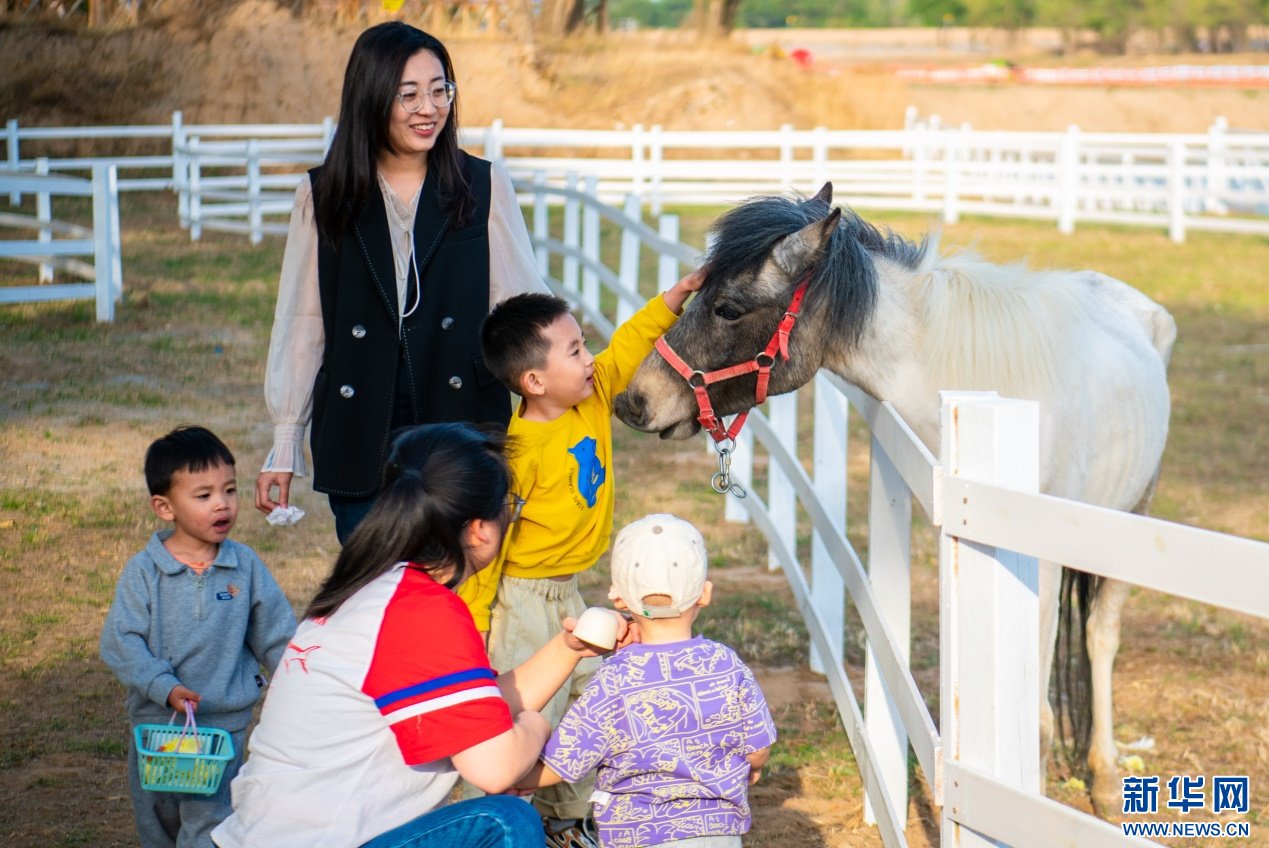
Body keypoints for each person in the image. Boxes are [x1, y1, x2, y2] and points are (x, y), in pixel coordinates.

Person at [212, 423, 630, 848]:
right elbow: (496, 767)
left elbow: (479, 711)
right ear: (480, 530)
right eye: (510, 506)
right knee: (506, 821)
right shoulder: (421, 611)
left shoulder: (377, 590)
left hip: (269, 836)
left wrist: (568, 649)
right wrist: (536, 726)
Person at [253, 21, 548, 543]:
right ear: (371, 97)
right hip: (360, 425)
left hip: (461, 421)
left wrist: (550, 404)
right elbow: (303, 322)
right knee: (375, 581)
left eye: (439, 91)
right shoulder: (323, 195)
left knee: (460, 578)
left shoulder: (483, 186)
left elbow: (519, 309)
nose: (428, 109)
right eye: (408, 95)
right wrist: (286, 440)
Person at [470, 270, 703, 845]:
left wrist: (672, 301)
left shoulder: (591, 396)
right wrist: (476, 626)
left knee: (584, 704)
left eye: (583, 344)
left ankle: (569, 822)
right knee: (530, 714)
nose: (589, 358)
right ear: (535, 381)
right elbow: (487, 551)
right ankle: (503, 824)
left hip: (567, 590)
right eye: (574, 351)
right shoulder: (518, 455)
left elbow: (625, 348)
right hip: (521, 599)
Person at [514, 513, 777, 848]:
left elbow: (566, 759)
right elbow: (757, 747)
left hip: (636, 834)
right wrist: (753, 766)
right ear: (704, 594)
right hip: (717, 833)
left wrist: (517, 777)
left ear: (618, 598)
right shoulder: (726, 664)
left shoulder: (614, 678)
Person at [100, 426, 296, 848]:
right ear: (164, 507)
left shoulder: (244, 566)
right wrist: (163, 687)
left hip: (223, 728)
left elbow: (278, 636)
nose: (222, 504)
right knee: (158, 820)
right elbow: (121, 642)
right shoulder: (144, 572)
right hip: (157, 727)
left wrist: (302, 683)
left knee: (210, 823)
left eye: (230, 490)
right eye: (204, 495)